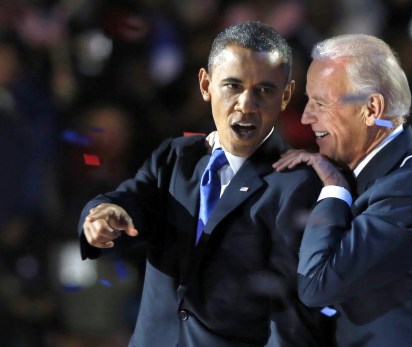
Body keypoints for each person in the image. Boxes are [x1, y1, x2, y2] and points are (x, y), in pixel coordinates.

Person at [79, 21, 333, 347]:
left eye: (264, 90)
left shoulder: (297, 185)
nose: (246, 104)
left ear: (286, 96)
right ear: (205, 84)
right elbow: (128, 201)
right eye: (232, 86)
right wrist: (103, 215)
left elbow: (291, 311)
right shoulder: (174, 158)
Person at [273, 34, 412, 346]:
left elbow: (317, 284)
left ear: (371, 108)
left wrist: (334, 190)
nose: (307, 116)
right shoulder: (382, 171)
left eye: (320, 102)